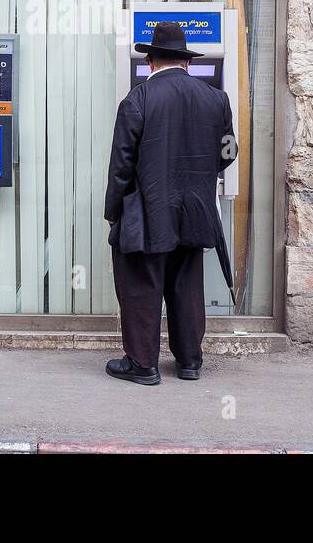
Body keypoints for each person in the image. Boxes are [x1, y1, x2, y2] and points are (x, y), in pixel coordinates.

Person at [103, 20, 237, 385]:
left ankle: (143, 364)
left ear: (150, 62)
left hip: (147, 211)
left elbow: (121, 164)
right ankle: (189, 361)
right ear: (186, 63)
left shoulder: (138, 99)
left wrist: (113, 212)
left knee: (141, 286)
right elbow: (228, 152)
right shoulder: (216, 98)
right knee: (186, 285)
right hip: (195, 211)